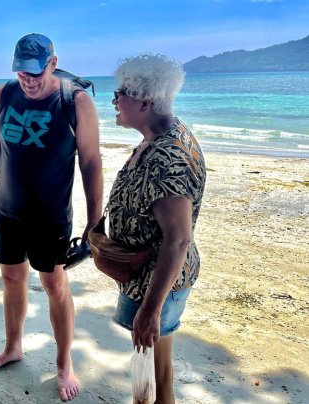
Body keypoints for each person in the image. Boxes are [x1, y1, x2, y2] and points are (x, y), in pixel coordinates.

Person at [0, 33, 103, 401]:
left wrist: (95, 221)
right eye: (21, 73)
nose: (28, 80)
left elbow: (91, 162)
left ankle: (64, 364)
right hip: (7, 210)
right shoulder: (5, 94)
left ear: (52, 63)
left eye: (35, 72)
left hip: (50, 216)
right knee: (11, 278)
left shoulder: (75, 101)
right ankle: (13, 347)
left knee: (54, 285)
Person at [107, 53, 206, 404]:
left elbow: (178, 239)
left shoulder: (169, 157)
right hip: (148, 279)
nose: (114, 100)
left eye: (121, 93)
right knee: (153, 367)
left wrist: (150, 310)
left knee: (150, 370)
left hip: (157, 283)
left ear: (145, 102)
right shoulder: (158, 136)